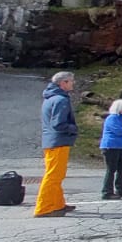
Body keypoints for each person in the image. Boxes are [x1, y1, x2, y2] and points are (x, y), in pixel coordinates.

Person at [34, 72, 79, 218]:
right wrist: (74, 129)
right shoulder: (61, 100)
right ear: (63, 83)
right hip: (58, 141)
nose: (73, 84)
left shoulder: (50, 98)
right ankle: (44, 208)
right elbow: (58, 123)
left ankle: (58, 204)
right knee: (53, 176)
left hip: (51, 141)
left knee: (56, 175)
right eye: (71, 81)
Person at [99, 99, 122, 200]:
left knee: (121, 168)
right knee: (111, 169)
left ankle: (121, 189)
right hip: (110, 146)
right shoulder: (112, 118)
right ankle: (107, 191)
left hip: (119, 146)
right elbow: (119, 131)